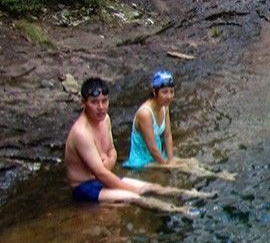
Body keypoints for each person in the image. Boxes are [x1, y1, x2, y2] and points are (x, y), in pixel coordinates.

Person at [64, 78, 212, 212]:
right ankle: (182, 211)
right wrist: (129, 186)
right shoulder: (82, 133)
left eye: (104, 101)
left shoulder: (105, 119)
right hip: (84, 187)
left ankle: (197, 195)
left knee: (151, 186)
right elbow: (101, 172)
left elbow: (112, 152)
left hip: (100, 177)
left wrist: (107, 162)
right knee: (134, 196)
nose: (101, 107)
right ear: (84, 103)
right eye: (94, 102)